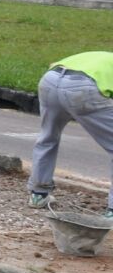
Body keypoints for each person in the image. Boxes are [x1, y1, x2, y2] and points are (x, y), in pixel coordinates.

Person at [27, 52, 113, 216]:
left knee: (48, 137)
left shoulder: (102, 57)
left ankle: (38, 194)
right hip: (83, 88)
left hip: (50, 80)